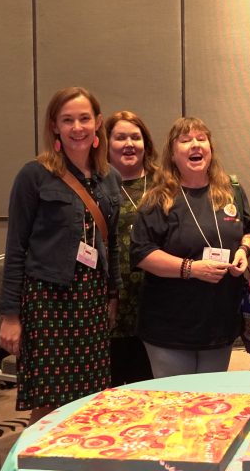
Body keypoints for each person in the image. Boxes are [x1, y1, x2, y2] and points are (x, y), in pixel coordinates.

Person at [0, 86, 121, 424]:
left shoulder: (108, 178)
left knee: (91, 398)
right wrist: (10, 316)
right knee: (50, 402)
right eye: (67, 120)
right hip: (48, 301)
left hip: (92, 299)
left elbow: (110, 244)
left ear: (98, 123)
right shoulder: (34, 175)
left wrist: (112, 295)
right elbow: (15, 248)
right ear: (54, 126)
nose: (77, 128)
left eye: (84, 118)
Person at [130, 117, 250, 377]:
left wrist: (243, 251)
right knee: (177, 400)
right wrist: (191, 269)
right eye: (185, 140)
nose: (195, 145)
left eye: (201, 139)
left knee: (211, 398)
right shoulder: (158, 198)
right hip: (171, 326)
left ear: (210, 148)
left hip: (219, 322)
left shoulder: (231, 190)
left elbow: (249, 231)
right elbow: (142, 253)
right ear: (172, 154)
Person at [104, 111, 159, 385]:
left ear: (145, 143)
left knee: (149, 387)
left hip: (156, 298)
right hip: (110, 298)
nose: (129, 144)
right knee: (110, 391)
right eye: (120, 137)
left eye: (135, 137)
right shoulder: (97, 185)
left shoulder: (165, 184)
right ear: (106, 143)